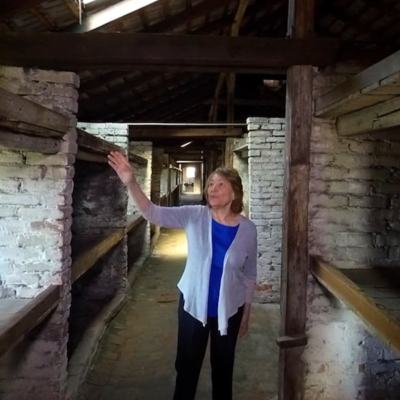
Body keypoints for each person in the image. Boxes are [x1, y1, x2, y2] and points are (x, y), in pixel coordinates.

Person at [108, 151, 258, 400]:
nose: (213, 188)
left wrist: (247, 312)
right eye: (210, 183)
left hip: (229, 310)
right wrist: (130, 182)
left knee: (223, 372)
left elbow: (250, 272)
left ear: (235, 193)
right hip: (192, 306)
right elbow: (153, 213)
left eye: (221, 184)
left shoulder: (248, 230)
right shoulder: (194, 215)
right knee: (187, 370)